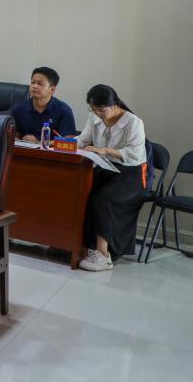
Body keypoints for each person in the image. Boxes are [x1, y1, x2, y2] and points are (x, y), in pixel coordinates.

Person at [76, 85, 147, 272]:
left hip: (130, 173)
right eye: (93, 109)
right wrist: (62, 144)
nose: (97, 114)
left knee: (103, 199)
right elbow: (83, 140)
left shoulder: (133, 122)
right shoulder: (95, 117)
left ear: (114, 104)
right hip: (104, 168)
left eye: (101, 110)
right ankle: (75, 245)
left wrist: (105, 150)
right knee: (77, 191)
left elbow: (133, 154)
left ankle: (103, 255)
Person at [9, 66, 76, 141]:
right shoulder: (19, 108)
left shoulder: (63, 110)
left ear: (52, 89)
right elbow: (12, 133)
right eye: (33, 82)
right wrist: (17, 138)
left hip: (52, 148)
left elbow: (69, 139)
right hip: (25, 147)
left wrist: (40, 143)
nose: (34, 86)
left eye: (40, 84)